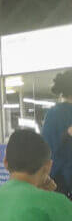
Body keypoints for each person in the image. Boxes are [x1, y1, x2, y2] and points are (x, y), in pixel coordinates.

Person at [42, 69, 72, 198]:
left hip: (58, 180)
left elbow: (47, 149)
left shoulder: (53, 114)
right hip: (64, 179)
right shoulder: (58, 113)